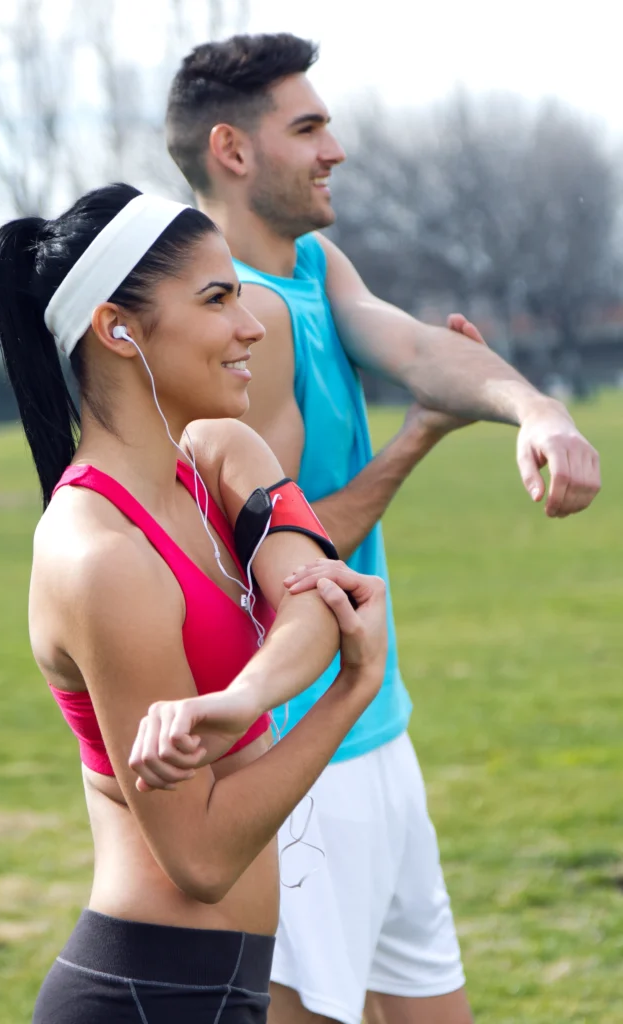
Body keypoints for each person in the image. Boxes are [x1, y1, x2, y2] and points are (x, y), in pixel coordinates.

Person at [158, 33, 601, 1024]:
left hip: (374, 728)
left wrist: (537, 411)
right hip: (300, 750)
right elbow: (287, 563)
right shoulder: (243, 325)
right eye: (308, 127)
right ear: (231, 150)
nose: (335, 149)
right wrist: (416, 442)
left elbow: (409, 345)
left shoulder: (310, 263)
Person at [0, 181, 392, 1024]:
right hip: (149, 993)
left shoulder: (218, 453)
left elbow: (313, 597)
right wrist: (345, 696)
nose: (251, 327)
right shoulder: (98, 557)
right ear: (116, 328)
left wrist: (239, 699)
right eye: (217, 300)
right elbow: (199, 858)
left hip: (220, 986)